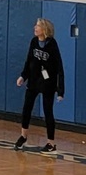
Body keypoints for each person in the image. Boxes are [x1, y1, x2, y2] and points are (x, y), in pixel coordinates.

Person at [14, 18, 65, 153]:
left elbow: (59, 68)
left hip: (48, 82)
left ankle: (51, 144)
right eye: (35, 25)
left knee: (48, 112)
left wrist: (60, 90)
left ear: (45, 29)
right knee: (26, 109)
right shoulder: (33, 42)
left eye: (38, 26)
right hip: (34, 81)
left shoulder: (52, 45)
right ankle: (23, 136)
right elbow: (28, 61)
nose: (35, 28)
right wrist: (23, 76)